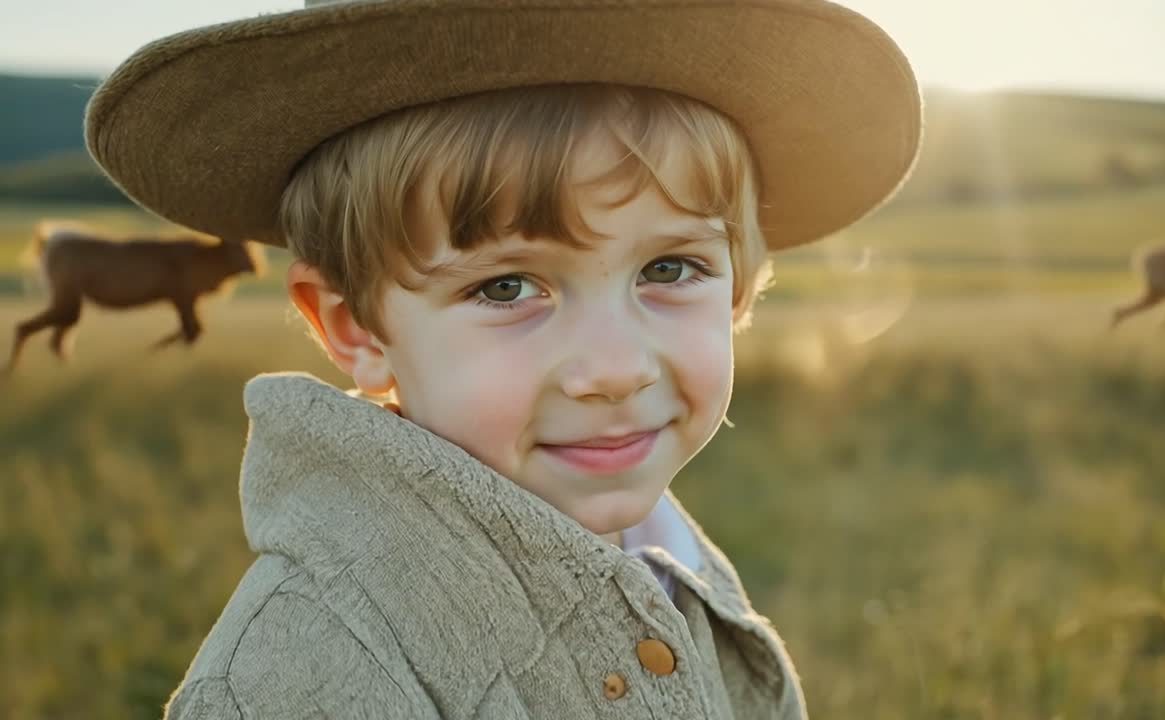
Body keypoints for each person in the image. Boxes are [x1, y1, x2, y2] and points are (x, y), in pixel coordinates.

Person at [86, 1, 921, 717]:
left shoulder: (667, 558)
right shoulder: (300, 672)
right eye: (508, 286)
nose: (614, 369)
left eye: (670, 269)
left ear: (740, 288)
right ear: (356, 329)